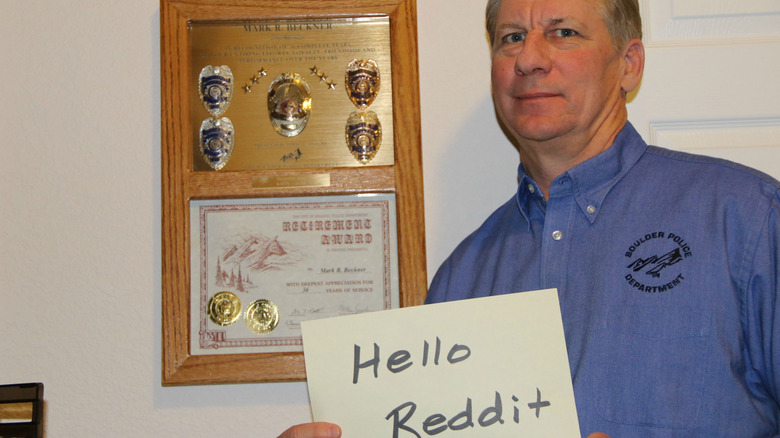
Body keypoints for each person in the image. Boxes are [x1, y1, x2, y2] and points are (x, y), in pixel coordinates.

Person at [278, 0, 780, 436]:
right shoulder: (462, 277)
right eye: (511, 38)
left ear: (628, 64)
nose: (530, 60)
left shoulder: (746, 218)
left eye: (564, 33)